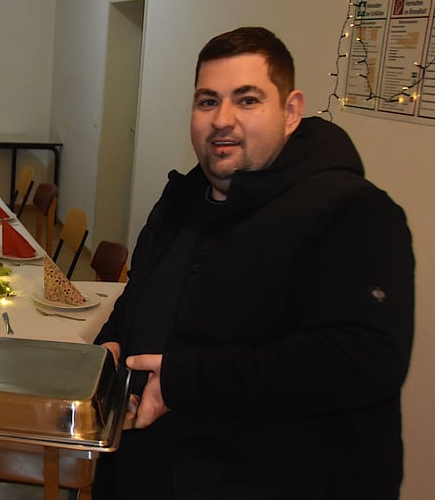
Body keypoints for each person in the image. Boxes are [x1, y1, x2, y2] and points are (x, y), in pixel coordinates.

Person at [93, 27, 414, 500]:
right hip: (154, 470)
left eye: (247, 100)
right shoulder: (180, 203)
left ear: (290, 112)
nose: (223, 119)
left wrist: (185, 380)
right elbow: (136, 302)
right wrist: (108, 349)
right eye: (207, 102)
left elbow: (360, 362)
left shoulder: (353, 214)